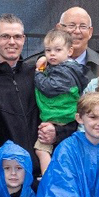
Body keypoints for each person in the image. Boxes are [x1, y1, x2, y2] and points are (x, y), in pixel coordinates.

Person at [0, 14, 48, 179]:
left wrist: (57, 131)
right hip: (6, 178)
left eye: (17, 36)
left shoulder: (40, 75)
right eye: (5, 36)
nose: (12, 42)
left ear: (24, 39)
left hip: (41, 176)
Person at [33, 28, 89, 173]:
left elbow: (48, 87)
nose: (52, 54)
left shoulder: (62, 71)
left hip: (60, 117)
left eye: (58, 50)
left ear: (69, 51)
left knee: (41, 149)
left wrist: (38, 72)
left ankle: (48, 178)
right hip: (66, 119)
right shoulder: (72, 69)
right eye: (48, 50)